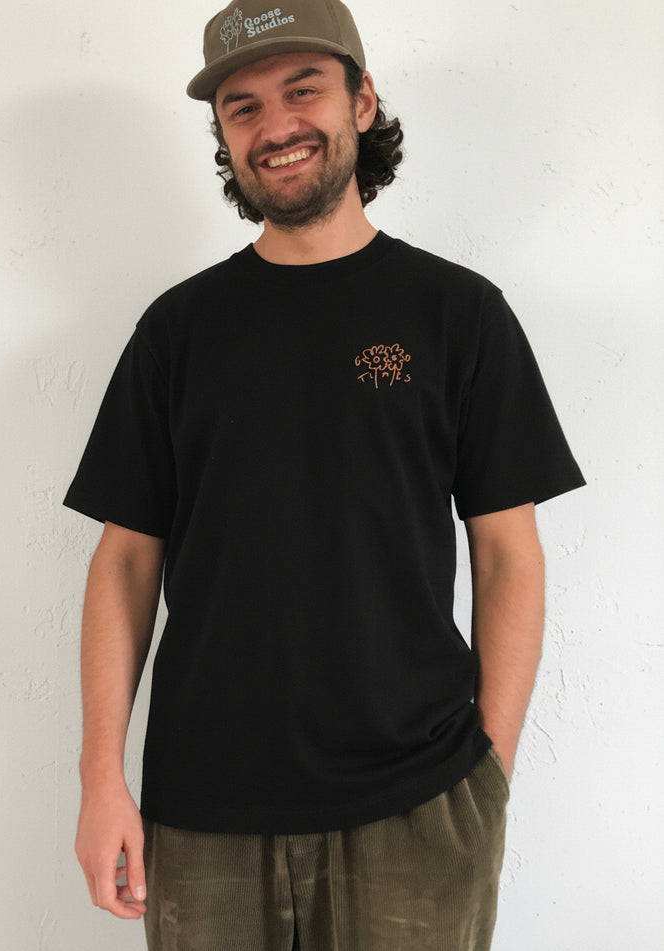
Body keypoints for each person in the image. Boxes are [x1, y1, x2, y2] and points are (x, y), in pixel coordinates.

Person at [64, 1, 585, 948]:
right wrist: (104, 777)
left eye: (303, 91)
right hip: (201, 809)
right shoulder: (178, 333)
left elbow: (510, 553)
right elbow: (125, 560)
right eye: (243, 107)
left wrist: (489, 773)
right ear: (224, 135)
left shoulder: (458, 315)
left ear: (362, 100)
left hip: (418, 806)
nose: (276, 127)